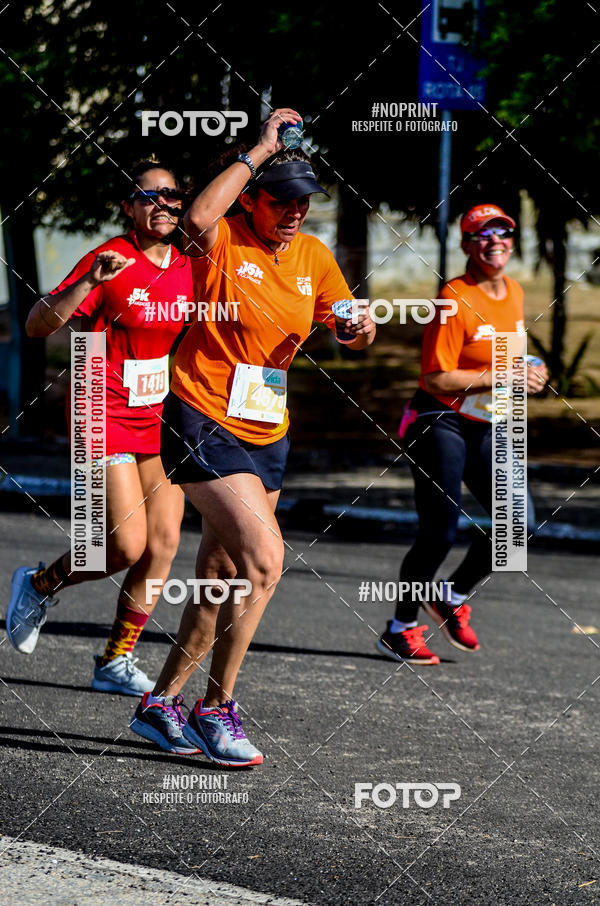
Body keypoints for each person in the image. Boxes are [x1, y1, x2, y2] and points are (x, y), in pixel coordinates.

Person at [130, 108, 376, 764]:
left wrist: (357, 326)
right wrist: (262, 146)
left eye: (305, 202)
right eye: (283, 200)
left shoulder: (313, 255)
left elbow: (344, 316)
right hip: (199, 417)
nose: (296, 212)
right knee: (266, 560)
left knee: (220, 571)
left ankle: (160, 703)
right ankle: (216, 708)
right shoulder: (224, 237)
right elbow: (195, 219)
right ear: (254, 199)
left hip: (267, 430)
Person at [6, 160, 193, 696]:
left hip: (157, 414)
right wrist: (89, 280)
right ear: (129, 206)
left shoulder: (188, 264)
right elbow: (36, 323)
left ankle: (115, 661)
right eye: (148, 195)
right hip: (100, 406)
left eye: (171, 195)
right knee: (124, 546)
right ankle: (40, 584)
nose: (162, 204)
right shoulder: (110, 258)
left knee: (163, 544)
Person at [377, 204, 548, 664]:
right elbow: (435, 378)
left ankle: (450, 594)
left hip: (488, 421)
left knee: (518, 526)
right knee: (440, 530)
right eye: (482, 234)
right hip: (439, 419)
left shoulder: (512, 290)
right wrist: (503, 374)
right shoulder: (454, 297)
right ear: (467, 244)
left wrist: (531, 370)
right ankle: (399, 627)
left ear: (512, 242)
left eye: (504, 233)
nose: (495, 241)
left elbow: (507, 356)